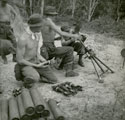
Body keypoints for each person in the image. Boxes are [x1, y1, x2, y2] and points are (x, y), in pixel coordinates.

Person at [15, 14, 58, 88]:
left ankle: (33, 74)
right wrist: (36, 65)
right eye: (41, 26)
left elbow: (36, 53)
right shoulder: (23, 38)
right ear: (35, 26)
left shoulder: (37, 35)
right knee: (35, 78)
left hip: (35, 61)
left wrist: (45, 61)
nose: (42, 28)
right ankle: (22, 73)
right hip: (25, 64)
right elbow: (20, 60)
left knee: (54, 80)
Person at [40, 6, 82, 77]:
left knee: (63, 49)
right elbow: (61, 33)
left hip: (45, 47)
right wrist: (75, 36)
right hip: (49, 48)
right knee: (70, 49)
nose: (55, 17)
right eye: (54, 15)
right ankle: (69, 72)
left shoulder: (43, 21)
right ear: (51, 15)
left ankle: (61, 66)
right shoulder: (49, 22)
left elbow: (50, 35)